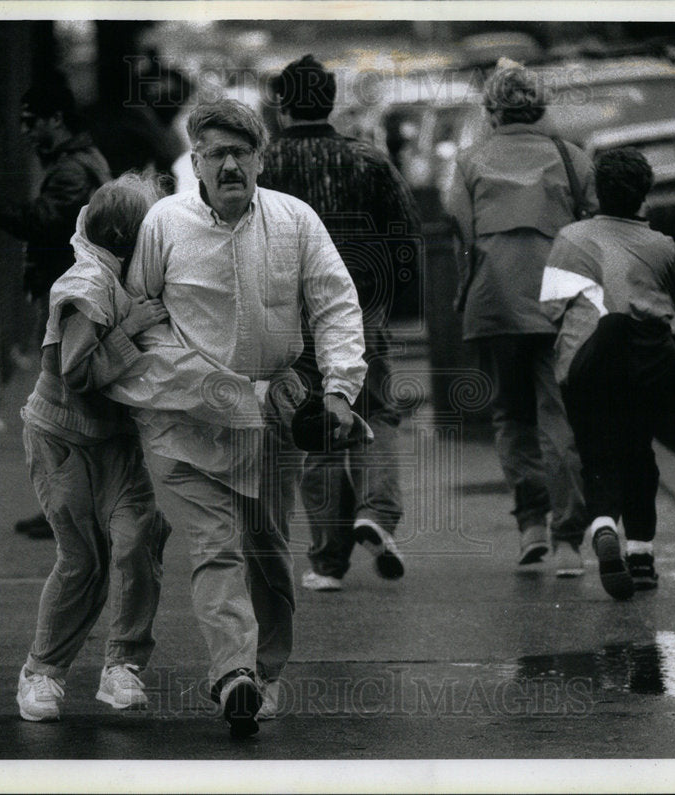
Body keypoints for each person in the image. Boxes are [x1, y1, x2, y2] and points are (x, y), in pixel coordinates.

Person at [125, 99, 368, 737]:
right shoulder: (164, 224)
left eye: (242, 152)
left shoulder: (294, 219)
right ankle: (234, 675)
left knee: (266, 551)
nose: (230, 164)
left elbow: (336, 303)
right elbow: (140, 309)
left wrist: (340, 390)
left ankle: (265, 672)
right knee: (214, 547)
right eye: (216, 154)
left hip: (272, 417)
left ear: (260, 158)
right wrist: (176, 378)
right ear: (196, 163)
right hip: (186, 421)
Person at [258, 54, 420, 592]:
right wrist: (386, 296)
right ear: (329, 100)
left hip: (287, 314)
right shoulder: (365, 159)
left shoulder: (264, 166)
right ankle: (376, 511)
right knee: (373, 408)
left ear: (282, 104)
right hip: (360, 310)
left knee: (314, 428)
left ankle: (328, 561)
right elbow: (405, 233)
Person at [14, 174, 171, 722]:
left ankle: (123, 665)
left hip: (114, 441)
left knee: (138, 538)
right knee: (83, 561)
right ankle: (42, 673)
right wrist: (129, 327)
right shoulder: (88, 284)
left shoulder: (121, 275)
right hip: (62, 440)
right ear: (130, 238)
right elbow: (77, 372)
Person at [444, 59, 594, 577]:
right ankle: (569, 540)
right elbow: (591, 225)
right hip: (560, 302)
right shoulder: (571, 159)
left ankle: (531, 522)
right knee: (560, 417)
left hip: (495, 303)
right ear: (539, 106)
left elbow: (461, 227)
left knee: (511, 415)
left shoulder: (468, 161)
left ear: (491, 110)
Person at [0, 79, 111, 540]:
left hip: (70, 302)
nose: (24, 131)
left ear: (54, 120)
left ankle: (70, 510)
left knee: (62, 411)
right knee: (72, 409)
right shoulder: (83, 160)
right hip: (80, 299)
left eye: (30, 122)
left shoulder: (70, 172)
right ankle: (76, 506)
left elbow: (39, 222)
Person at [540, 148, 675, 600]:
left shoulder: (570, 238)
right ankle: (641, 554)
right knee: (638, 452)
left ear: (597, 192)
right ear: (644, 194)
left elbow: (550, 309)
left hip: (586, 363)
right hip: (646, 362)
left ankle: (602, 523)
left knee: (596, 453)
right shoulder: (662, 246)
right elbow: (671, 302)